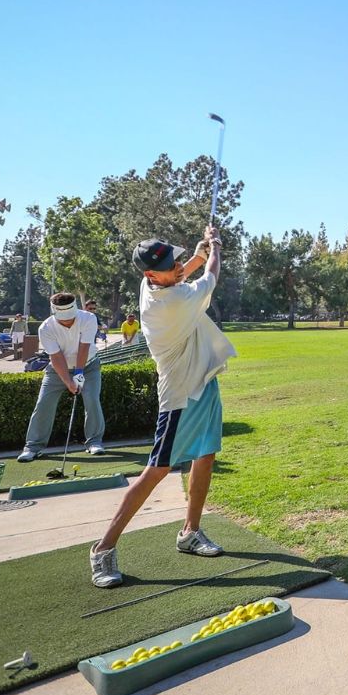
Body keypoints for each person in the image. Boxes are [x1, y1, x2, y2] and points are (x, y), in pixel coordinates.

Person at [90, 226, 235, 588]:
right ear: (151, 275)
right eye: (173, 265)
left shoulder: (156, 283)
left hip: (203, 381)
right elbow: (211, 276)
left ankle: (190, 532)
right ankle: (103, 549)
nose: (178, 266)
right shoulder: (171, 302)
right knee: (156, 470)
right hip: (180, 396)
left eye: (176, 260)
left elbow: (188, 271)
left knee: (206, 456)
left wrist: (197, 254)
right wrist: (214, 247)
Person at [16, 294, 105, 462]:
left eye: (70, 318)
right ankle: (33, 446)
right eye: (63, 319)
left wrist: (78, 374)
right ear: (54, 312)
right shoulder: (46, 328)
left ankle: (94, 442)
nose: (67, 322)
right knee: (43, 403)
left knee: (92, 399)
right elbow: (56, 358)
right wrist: (68, 382)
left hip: (89, 366)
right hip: (57, 370)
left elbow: (83, 348)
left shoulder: (88, 318)